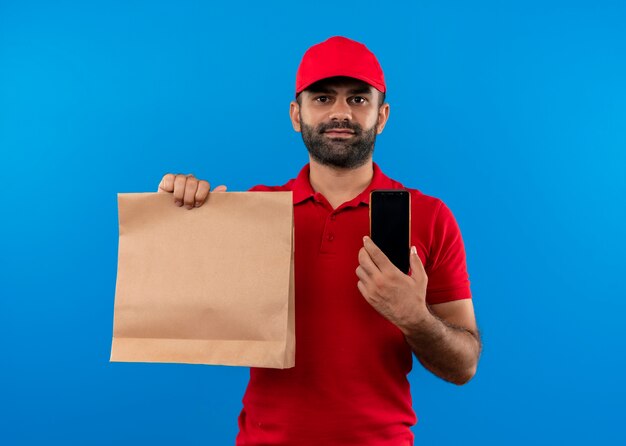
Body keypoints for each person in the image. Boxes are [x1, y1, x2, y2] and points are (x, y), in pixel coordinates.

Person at [157, 36, 481, 446]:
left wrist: (414, 317)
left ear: (382, 116)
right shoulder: (254, 211)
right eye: (323, 98)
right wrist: (179, 211)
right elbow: (186, 303)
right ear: (297, 114)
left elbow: (464, 366)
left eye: (359, 100)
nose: (341, 113)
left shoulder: (429, 217)